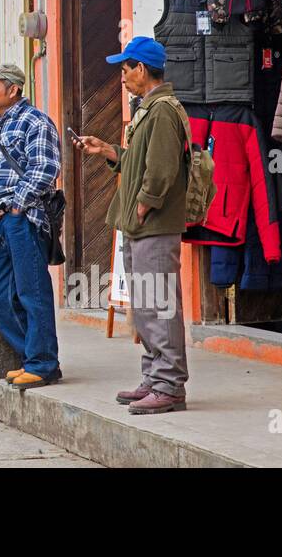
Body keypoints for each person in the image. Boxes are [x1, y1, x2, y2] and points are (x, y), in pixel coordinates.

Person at [76, 37, 190, 415]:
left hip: (153, 225)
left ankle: (170, 384)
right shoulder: (150, 109)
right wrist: (109, 151)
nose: (122, 77)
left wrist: (142, 208)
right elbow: (141, 161)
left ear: (141, 68)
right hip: (141, 225)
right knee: (144, 306)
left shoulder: (162, 111)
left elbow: (160, 172)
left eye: (125, 69)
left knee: (158, 304)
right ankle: (155, 376)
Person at [0, 62, 64, 392]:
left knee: (32, 292)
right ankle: (33, 356)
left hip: (22, 220)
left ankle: (43, 363)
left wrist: (16, 206)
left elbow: (45, 167)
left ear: (13, 90)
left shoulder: (35, 121)